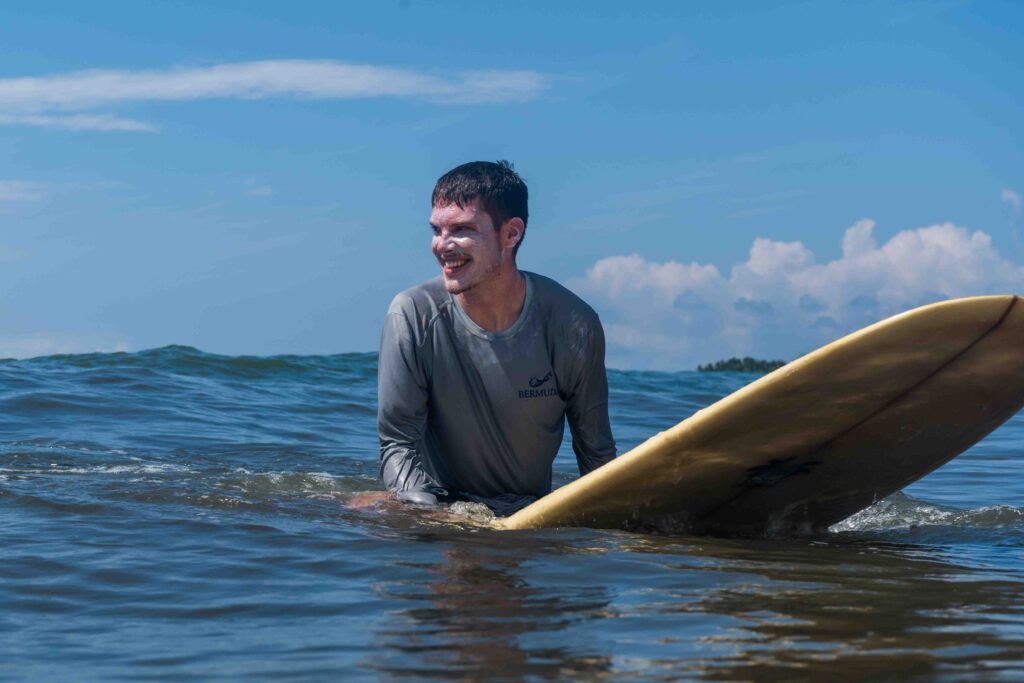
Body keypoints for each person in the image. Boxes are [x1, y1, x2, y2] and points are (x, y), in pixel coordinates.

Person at [377, 160, 616, 516]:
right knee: (365, 511)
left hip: (525, 514)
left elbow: (596, 454)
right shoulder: (412, 314)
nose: (442, 245)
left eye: (461, 229)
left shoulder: (572, 323)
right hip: (440, 508)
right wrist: (432, 515)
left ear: (511, 234)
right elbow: (398, 444)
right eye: (436, 230)